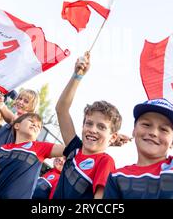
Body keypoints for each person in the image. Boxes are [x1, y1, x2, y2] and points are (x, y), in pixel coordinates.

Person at [52, 52, 122, 199]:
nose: (92, 130)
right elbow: (61, 109)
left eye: (101, 127)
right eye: (89, 123)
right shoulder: (74, 149)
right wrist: (77, 76)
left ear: (112, 137)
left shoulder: (105, 161)